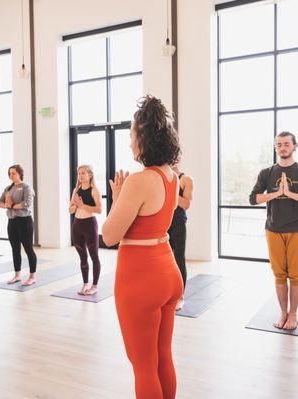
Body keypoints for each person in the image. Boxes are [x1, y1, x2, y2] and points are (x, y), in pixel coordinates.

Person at [102, 95, 182, 399]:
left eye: (132, 136)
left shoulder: (139, 180)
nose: (130, 143)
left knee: (143, 366)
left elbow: (109, 236)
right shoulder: (171, 175)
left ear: (144, 138)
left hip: (141, 278)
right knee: (163, 356)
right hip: (168, 271)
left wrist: (119, 197)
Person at [249, 131, 298, 330]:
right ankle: (283, 312)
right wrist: (276, 193)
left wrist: (289, 193)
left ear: (295, 146)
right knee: (279, 274)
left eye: (286, 144)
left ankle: (293, 314)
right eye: (279, 144)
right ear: (276, 148)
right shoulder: (266, 173)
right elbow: (253, 198)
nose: (283, 147)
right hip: (273, 228)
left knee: (296, 274)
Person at [0, 164, 37, 286]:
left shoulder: (26, 187)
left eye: (14, 173)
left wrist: (12, 205)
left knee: (28, 248)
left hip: (24, 221)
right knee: (15, 249)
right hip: (12, 221)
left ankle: (32, 276)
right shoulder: (8, 189)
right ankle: (17, 275)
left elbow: (27, 203)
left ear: (20, 173)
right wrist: (6, 205)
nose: (11, 175)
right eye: (10, 173)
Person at [69, 165, 102, 295]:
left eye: (83, 173)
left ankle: (95, 285)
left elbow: (99, 210)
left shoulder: (94, 190)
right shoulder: (75, 191)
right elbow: (70, 209)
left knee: (94, 255)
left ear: (90, 175)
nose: (80, 176)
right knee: (82, 256)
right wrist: (75, 206)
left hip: (89, 224)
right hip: (77, 224)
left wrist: (83, 205)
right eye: (79, 173)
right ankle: (85, 284)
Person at [168, 163, 193, 311]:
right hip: (163, 223)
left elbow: (186, 204)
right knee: (165, 261)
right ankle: (168, 293)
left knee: (179, 259)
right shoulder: (163, 178)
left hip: (178, 223)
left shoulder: (186, 179)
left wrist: (171, 191)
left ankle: (180, 296)